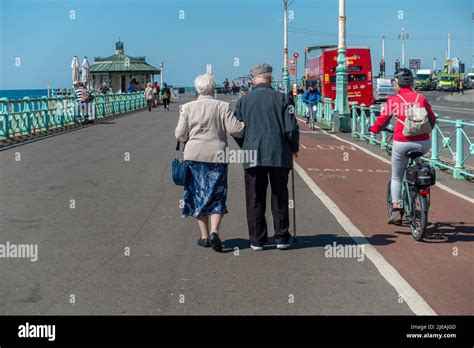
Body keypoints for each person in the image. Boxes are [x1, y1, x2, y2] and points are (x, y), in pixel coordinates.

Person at [175, 74, 245, 252]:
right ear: (213, 89)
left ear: (197, 90)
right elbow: (235, 129)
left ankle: (204, 236)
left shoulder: (187, 108)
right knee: (217, 194)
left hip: (194, 156)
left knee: (197, 193)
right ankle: (215, 231)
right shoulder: (222, 106)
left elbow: (180, 135)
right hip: (217, 156)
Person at [233, 63, 299, 251]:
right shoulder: (282, 98)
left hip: (252, 153)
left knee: (254, 197)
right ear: (270, 78)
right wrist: (294, 147)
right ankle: (282, 237)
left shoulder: (244, 102)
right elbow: (291, 128)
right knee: (279, 195)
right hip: (279, 153)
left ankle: (257, 239)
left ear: (254, 79)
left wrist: (245, 145)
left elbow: (236, 129)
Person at [369, 68, 436, 224]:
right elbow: (432, 120)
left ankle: (397, 209)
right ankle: (421, 180)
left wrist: (374, 129)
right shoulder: (421, 98)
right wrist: (422, 133)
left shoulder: (393, 100)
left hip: (402, 142)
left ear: (396, 84)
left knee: (397, 176)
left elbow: (382, 120)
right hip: (424, 143)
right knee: (418, 159)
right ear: (412, 82)